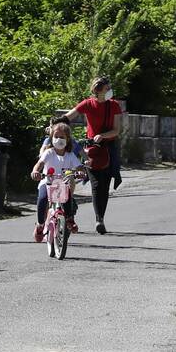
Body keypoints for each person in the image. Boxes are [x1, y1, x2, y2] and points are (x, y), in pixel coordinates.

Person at [62, 76, 123, 234]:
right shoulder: (87, 104)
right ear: (98, 91)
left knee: (105, 186)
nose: (110, 90)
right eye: (107, 88)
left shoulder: (114, 105)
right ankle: (98, 219)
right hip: (91, 150)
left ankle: (100, 217)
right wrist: (57, 123)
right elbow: (68, 116)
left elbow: (116, 130)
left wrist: (103, 135)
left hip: (109, 148)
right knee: (96, 185)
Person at [31, 123, 86, 242]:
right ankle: (40, 225)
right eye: (56, 136)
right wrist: (35, 171)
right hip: (47, 182)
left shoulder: (70, 155)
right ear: (51, 137)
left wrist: (81, 172)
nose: (59, 140)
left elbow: (79, 167)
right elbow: (39, 164)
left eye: (62, 137)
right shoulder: (49, 153)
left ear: (68, 139)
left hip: (62, 183)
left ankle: (70, 219)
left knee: (67, 197)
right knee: (42, 199)